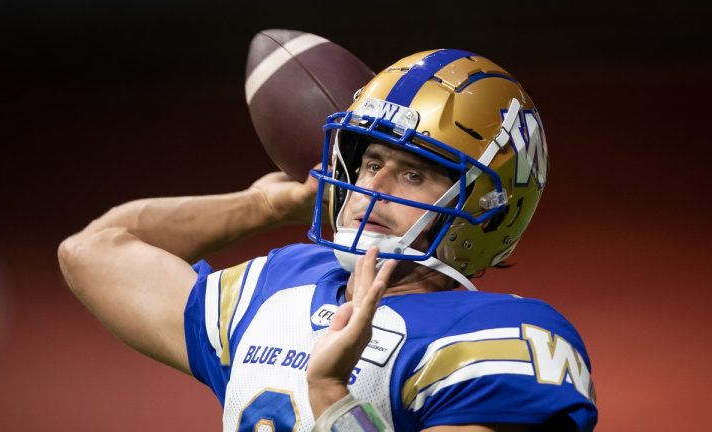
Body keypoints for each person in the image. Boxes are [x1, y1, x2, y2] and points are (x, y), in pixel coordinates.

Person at [58, 48, 597, 431]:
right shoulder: (280, 283)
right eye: (369, 163)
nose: (372, 189)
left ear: (487, 207)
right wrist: (265, 204)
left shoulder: (508, 340)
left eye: (414, 174)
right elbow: (94, 250)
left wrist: (332, 394)